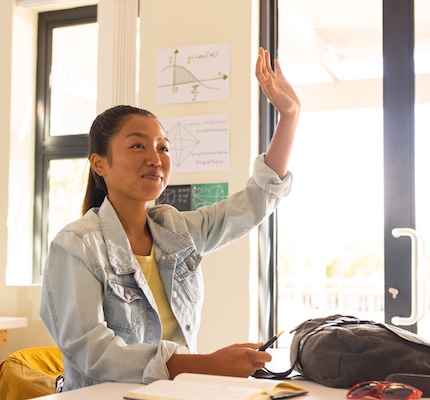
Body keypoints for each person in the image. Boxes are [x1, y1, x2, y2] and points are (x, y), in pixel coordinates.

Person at [39, 47, 300, 391]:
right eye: (137, 146)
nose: (155, 158)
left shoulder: (176, 230)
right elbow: (92, 351)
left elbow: (254, 203)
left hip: (176, 392)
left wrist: (290, 116)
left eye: (163, 147)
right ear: (99, 163)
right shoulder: (75, 246)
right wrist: (206, 365)